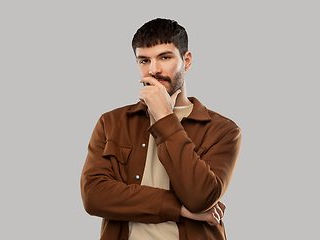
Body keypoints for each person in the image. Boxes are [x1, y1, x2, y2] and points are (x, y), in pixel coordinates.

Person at [81, 18, 242, 240]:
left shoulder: (223, 130)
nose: (153, 69)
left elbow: (200, 198)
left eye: (164, 57)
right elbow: (94, 196)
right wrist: (180, 209)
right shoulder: (111, 122)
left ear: (186, 61)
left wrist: (165, 117)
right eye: (144, 60)